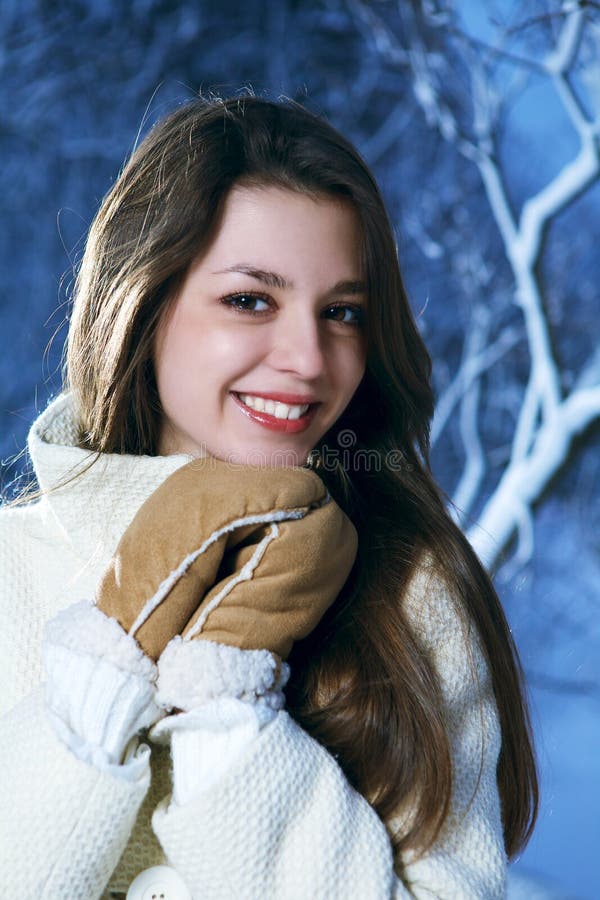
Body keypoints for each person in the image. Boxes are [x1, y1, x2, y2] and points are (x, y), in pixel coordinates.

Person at [0, 94, 538, 899]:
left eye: (342, 312)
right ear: (144, 302)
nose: (309, 359)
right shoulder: (9, 566)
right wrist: (113, 651)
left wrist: (229, 698)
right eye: (250, 300)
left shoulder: (410, 591)